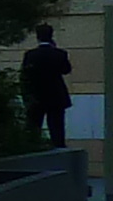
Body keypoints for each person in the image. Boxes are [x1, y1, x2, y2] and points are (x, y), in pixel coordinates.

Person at [18, 21, 74, 149]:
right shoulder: (60, 54)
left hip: (36, 95)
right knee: (57, 126)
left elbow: (25, 75)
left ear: (38, 36)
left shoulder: (30, 55)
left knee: (33, 125)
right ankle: (59, 147)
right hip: (56, 96)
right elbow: (66, 70)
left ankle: (31, 146)